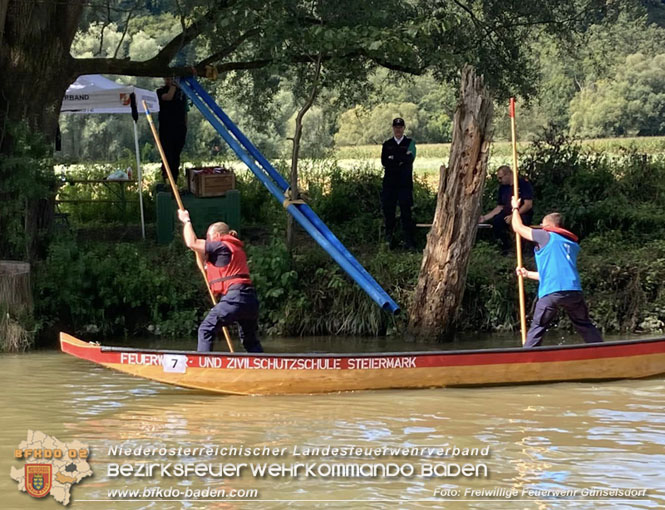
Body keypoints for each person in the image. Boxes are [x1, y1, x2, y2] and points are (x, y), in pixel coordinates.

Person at [510, 197, 603, 348]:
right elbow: (552, 274)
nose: (539, 227)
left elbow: (518, 228)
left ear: (547, 225)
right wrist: (527, 274)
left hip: (552, 292)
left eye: (541, 225)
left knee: (538, 327)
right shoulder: (571, 244)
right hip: (573, 292)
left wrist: (514, 208)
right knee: (584, 324)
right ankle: (601, 351)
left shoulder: (546, 235)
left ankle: (527, 359)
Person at [177, 209, 263, 353]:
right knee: (249, 340)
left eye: (208, 238)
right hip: (250, 299)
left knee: (205, 329)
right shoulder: (231, 248)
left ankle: (202, 367)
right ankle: (262, 367)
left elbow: (191, 243)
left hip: (235, 297)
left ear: (216, 236)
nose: (208, 241)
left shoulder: (220, 245)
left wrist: (186, 220)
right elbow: (203, 266)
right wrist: (198, 249)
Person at [479, 165, 533, 254]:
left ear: (508, 174)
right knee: (497, 222)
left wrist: (514, 215)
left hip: (522, 213)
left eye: (501, 178)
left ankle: (522, 252)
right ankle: (505, 248)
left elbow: (528, 205)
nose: (499, 181)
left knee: (521, 223)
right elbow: (500, 207)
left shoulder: (523, 184)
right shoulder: (503, 188)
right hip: (506, 213)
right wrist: (484, 218)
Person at [381, 117, 417, 250]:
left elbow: (409, 159)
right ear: (393, 128)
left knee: (406, 213)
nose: (398, 130)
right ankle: (389, 240)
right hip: (389, 185)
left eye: (400, 127)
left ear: (403, 128)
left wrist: (394, 158)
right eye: (396, 127)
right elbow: (385, 162)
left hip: (405, 185)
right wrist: (401, 158)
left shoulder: (410, 143)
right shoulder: (387, 144)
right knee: (388, 212)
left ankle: (409, 242)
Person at [157, 77, 188, 185]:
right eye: (168, 79)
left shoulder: (181, 93)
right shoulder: (160, 91)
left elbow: (185, 111)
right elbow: (168, 97)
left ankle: (174, 182)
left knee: (175, 157)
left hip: (179, 129)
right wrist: (174, 86)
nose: (170, 81)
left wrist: (185, 126)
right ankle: (166, 179)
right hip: (166, 129)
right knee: (167, 155)